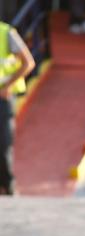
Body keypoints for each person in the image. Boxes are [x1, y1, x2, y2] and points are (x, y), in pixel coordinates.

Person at [0, 20, 35, 195]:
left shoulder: (5, 32)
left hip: (3, 99)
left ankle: (8, 186)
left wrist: (8, 86)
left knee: (3, 144)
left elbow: (28, 62)